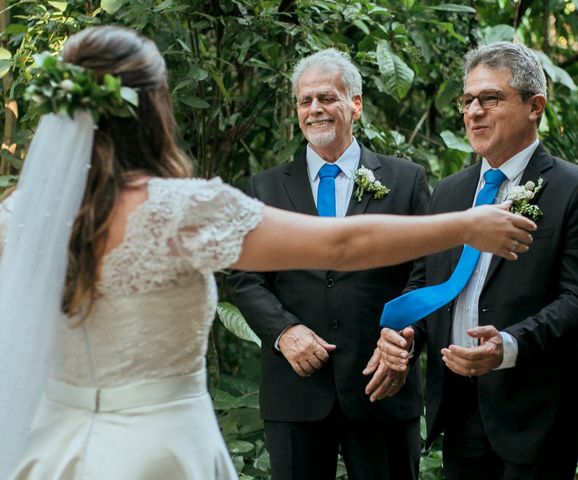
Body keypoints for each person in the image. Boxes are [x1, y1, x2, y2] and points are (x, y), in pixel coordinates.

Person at [0, 28, 536, 480]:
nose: (314, 108)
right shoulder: (182, 209)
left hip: (56, 447)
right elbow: (341, 244)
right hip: (159, 448)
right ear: (153, 107)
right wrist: (469, 223)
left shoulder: (20, 215)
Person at [369, 42, 578, 479]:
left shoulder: (577, 190)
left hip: (537, 412)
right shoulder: (449, 192)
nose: (473, 112)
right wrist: (408, 335)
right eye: (467, 101)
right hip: (460, 407)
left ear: (535, 106)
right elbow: (426, 282)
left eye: (491, 98)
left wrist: (510, 345)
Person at [227, 48, 429, 480]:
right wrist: (284, 331)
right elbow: (243, 276)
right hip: (295, 390)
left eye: (327, 98)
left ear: (355, 104)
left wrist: (403, 343)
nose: (315, 109)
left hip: (381, 385)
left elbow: (426, 270)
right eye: (305, 100)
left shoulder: (404, 180)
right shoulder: (264, 188)